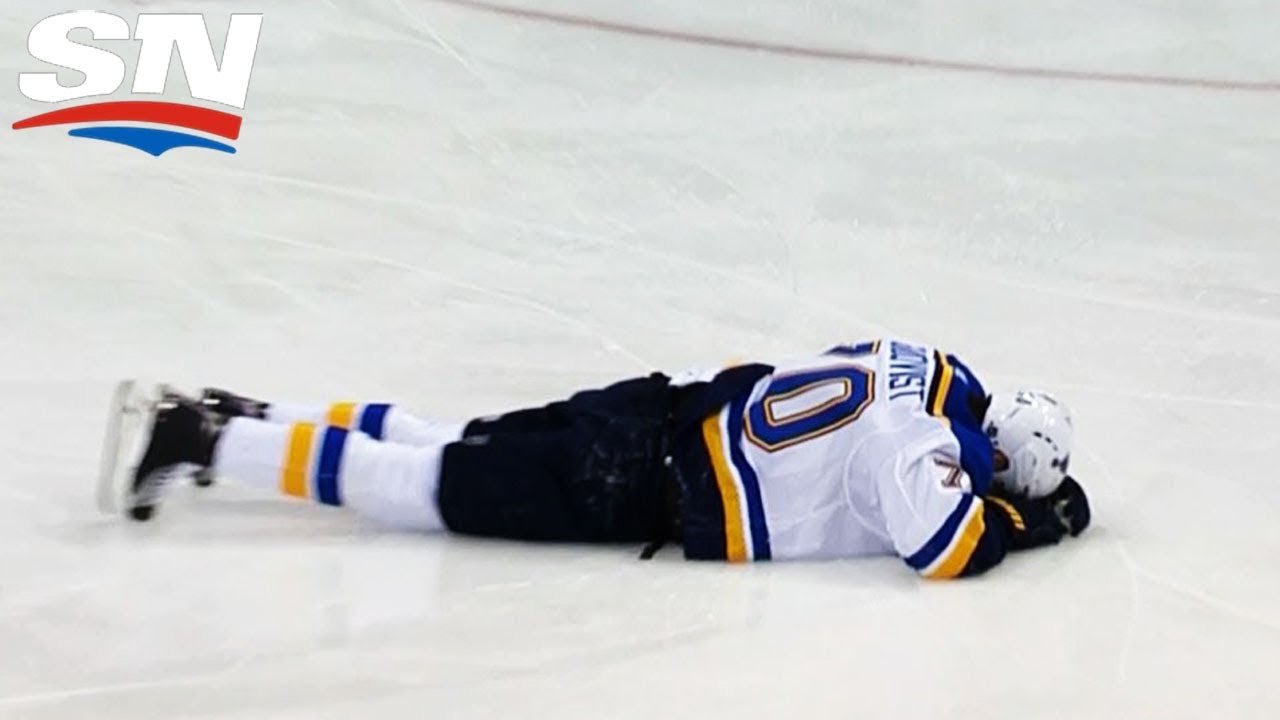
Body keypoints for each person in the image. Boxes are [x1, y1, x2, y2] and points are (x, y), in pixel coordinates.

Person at [100, 338, 1090, 578]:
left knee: (453, 438)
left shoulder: (924, 365)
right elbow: (944, 547)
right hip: (639, 484)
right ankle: (206, 438)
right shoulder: (916, 446)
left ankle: (251, 412)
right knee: (427, 488)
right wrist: (1029, 523)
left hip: (657, 414)